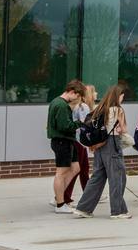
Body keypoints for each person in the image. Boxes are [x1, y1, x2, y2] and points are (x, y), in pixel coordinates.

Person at [72, 82, 132, 219]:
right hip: (112, 144)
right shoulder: (118, 110)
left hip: (99, 145)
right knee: (117, 177)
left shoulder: (100, 108)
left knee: (97, 177)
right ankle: (118, 211)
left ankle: (83, 208)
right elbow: (123, 129)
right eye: (122, 96)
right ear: (119, 96)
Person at [48, 80, 85, 211]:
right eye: (77, 96)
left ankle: (58, 197)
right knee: (61, 172)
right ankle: (60, 204)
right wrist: (80, 123)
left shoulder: (57, 102)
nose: (77, 99)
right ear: (72, 92)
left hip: (66, 141)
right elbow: (65, 126)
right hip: (62, 141)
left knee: (76, 168)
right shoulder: (62, 105)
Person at [72, 83, 96, 197]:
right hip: (79, 142)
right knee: (78, 170)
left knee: (83, 169)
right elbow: (85, 126)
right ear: (89, 94)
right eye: (94, 91)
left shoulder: (83, 106)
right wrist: (91, 143)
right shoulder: (83, 107)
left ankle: (88, 194)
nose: (96, 94)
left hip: (79, 141)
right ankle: (60, 196)